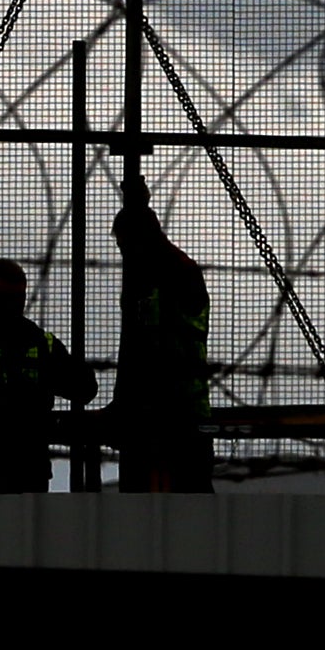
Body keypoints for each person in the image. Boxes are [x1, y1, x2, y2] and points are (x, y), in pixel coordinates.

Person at [0, 203, 95, 491]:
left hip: (11, 467)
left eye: (16, 298)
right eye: (4, 299)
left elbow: (84, 387)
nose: (11, 307)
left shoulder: (29, 342)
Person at [109, 170, 213, 492]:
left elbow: (146, 347)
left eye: (125, 246)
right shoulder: (156, 278)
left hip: (176, 410)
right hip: (162, 411)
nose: (124, 255)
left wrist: (137, 203)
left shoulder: (171, 274)